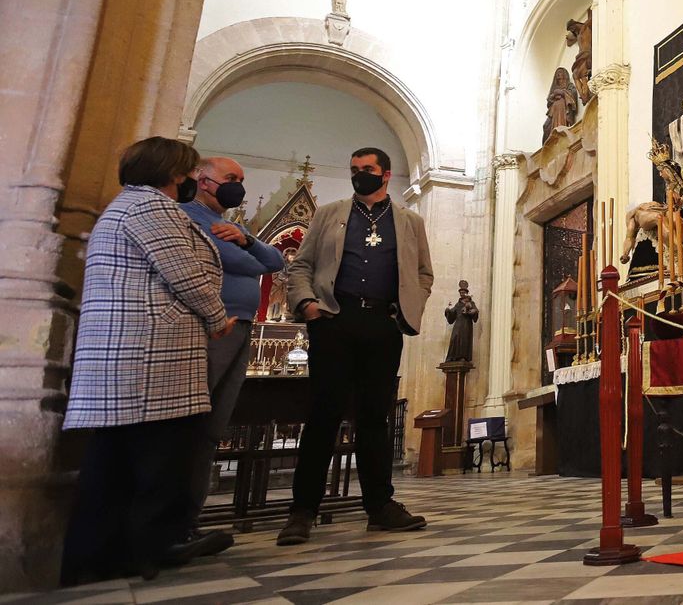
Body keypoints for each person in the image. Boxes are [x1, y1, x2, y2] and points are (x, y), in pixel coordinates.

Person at [60, 137, 236, 585]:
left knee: (116, 457)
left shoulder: (125, 206)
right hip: (149, 348)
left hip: (131, 348)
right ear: (174, 172)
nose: (193, 180)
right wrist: (217, 318)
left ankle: (102, 553)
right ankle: (150, 545)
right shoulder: (151, 209)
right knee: (160, 454)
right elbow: (186, 274)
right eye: (189, 172)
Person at [277, 147, 433, 545]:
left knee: (374, 418)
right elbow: (301, 265)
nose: (359, 175)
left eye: (367, 169)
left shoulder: (410, 221)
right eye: (354, 170)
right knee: (323, 416)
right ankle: (302, 510)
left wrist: (405, 311)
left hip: (382, 324)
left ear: (385, 174)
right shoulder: (330, 213)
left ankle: (380, 506)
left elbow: (423, 274)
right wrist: (307, 304)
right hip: (334, 319)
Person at [177, 156, 285, 554]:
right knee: (191, 423)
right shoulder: (188, 215)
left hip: (241, 328)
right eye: (230, 178)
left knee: (213, 429)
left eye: (241, 179)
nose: (237, 185)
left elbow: (273, 261)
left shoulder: (235, 226)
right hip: (209, 327)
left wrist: (248, 240)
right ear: (203, 181)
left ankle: (188, 521)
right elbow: (238, 262)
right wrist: (246, 251)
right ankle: (170, 522)